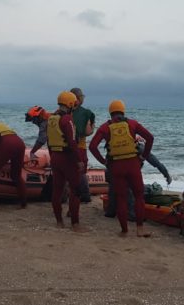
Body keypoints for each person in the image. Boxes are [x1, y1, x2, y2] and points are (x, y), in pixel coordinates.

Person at [89, 100, 155, 237]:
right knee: (139, 197)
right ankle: (140, 228)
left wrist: (104, 161)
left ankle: (124, 230)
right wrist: (143, 156)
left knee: (121, 198)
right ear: (123, 111)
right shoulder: (132, 124)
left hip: (116, 167)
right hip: (133, 165)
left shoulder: (105, 127)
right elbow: (150, 138)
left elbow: (92, 147)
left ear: (110, 112)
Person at [104, 135, 172, 220]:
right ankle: (132, 214)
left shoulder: (116, 146)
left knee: (114, 189)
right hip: (123, 174)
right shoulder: (140, 149)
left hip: (112, 172)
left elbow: (107, 161)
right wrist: (166, 175)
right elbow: (155, 162)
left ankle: (111, 211)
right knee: (132, 189)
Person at [47, 92, 85, 232]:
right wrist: (79, 160)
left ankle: (59, 222)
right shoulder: (67, 119)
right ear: (70, 103)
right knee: (76, 190)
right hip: (67, 158)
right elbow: (72, 142)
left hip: (55, 157)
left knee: (57, 190)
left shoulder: (51, 118)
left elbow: (49, 141)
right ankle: (75, 224)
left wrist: (52, 157)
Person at [69, 87, 96, 202]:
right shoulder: (86, 113)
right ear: (79, 98)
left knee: (68, 171)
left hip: (66, 147)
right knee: (81, 172)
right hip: (80, 147)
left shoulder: (63, 112)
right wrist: (93, 126)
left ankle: (67, 194)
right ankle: (85, 195)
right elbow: (88, 132)